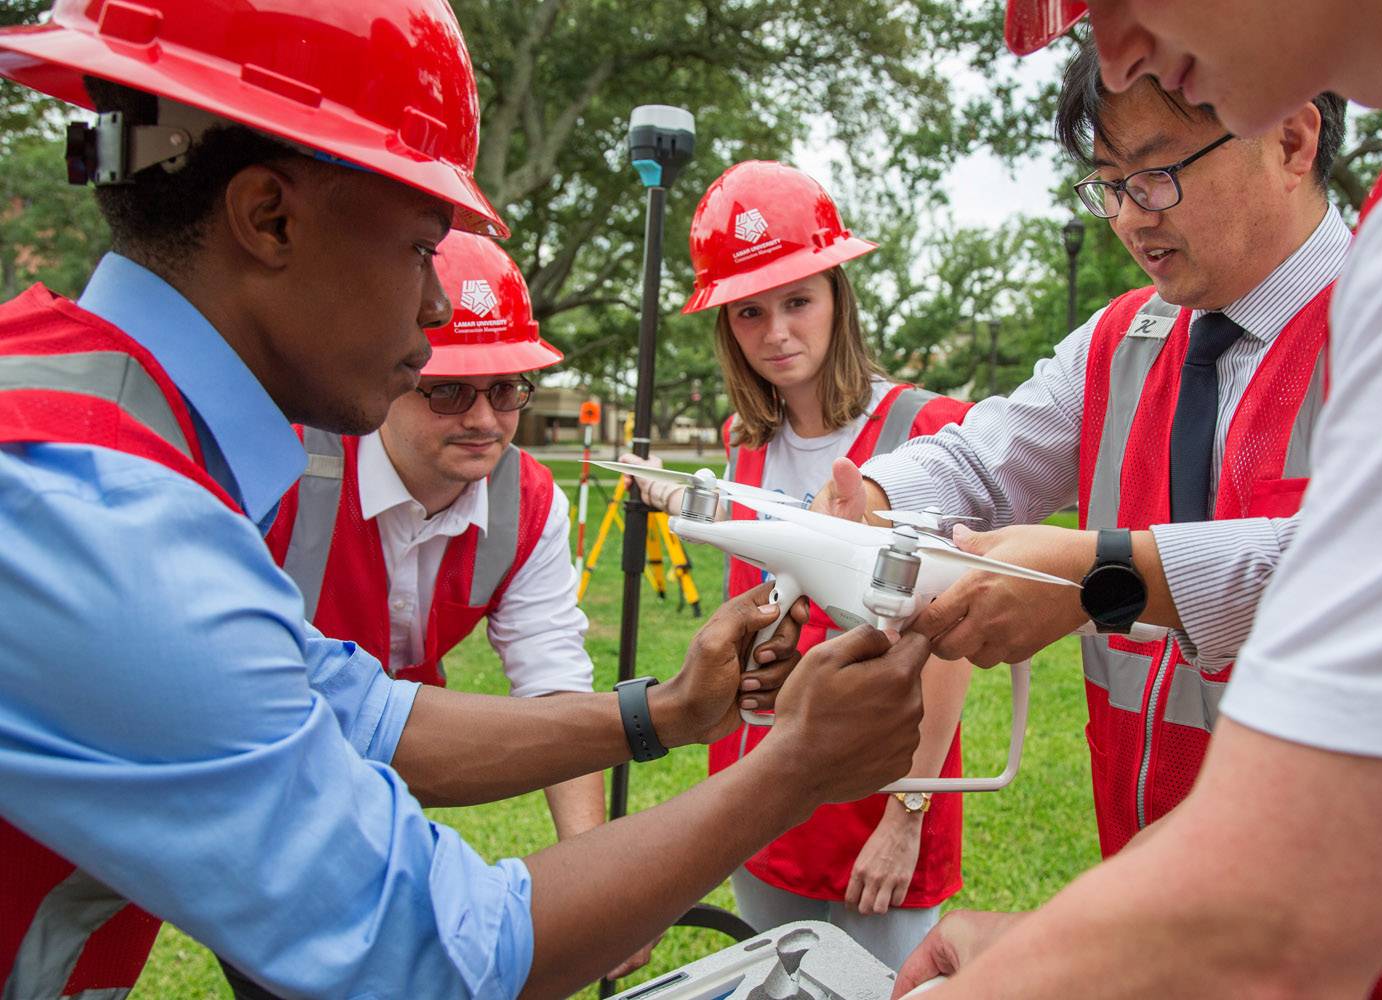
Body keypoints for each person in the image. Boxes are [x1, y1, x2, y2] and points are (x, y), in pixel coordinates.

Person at [0, 4, 934, 998]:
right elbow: (440, 951)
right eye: (419, 247)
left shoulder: (100, 432)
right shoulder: (108, 517)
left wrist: (662, 711)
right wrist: (794, 767)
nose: (441, 307)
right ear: (269, 217)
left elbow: (358, 715)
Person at [818, 35, 1382, 995]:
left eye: (1158, 174)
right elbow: (983, 452)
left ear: (1293, 138)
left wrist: (1103, 573)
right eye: (1109, 181)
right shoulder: (1123, 340)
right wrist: (874, 496)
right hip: (1165, 908)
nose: (1132, 217)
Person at [255, 231, 653, 989]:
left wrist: (596, 878)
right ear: (387, 373)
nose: (485, 419)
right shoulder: (285, 469)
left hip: (401, 768)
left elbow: (554, 685)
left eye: (507, 389)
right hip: (279, 763)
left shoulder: (528, 503)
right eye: (448, 391)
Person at [628, 159, 974, 967]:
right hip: (759, 789)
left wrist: (906, 816)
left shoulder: (925, 429)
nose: (777, 332)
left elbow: (949, 645)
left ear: (836, 298)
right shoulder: (741, 442)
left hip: (878, 797)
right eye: (750, 312)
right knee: (777, 981)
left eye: (797, 301)